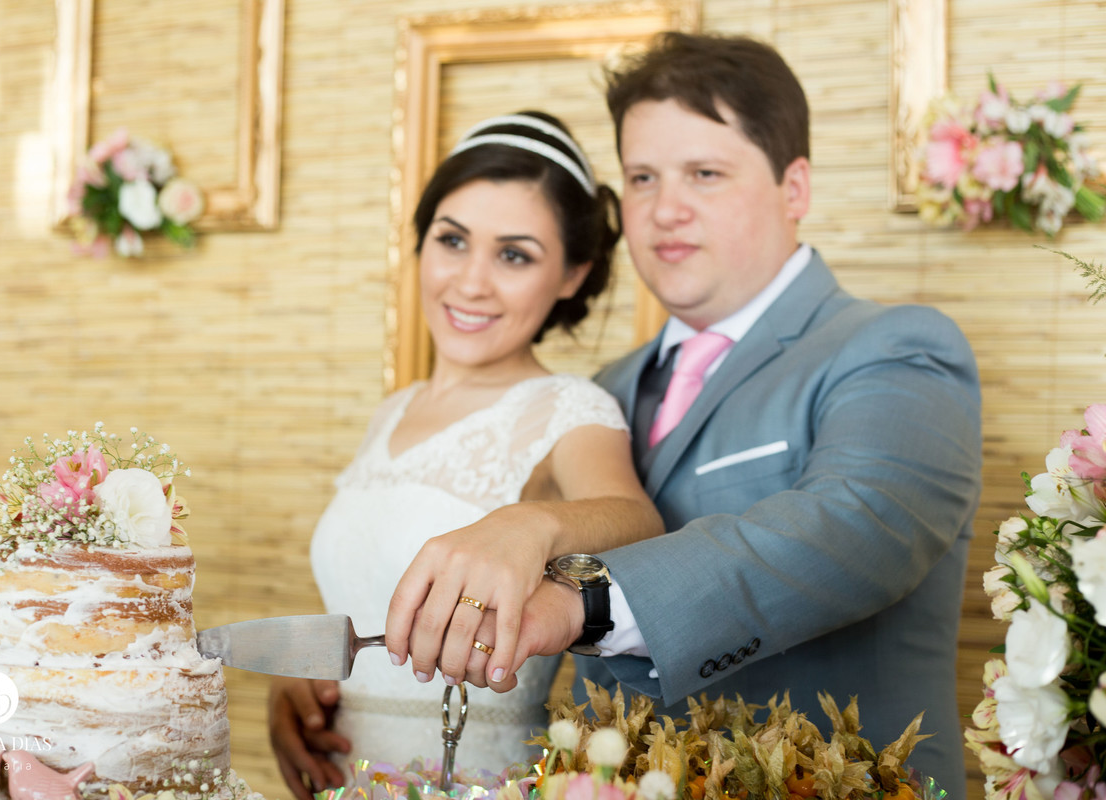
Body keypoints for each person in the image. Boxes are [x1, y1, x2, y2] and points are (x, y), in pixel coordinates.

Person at [385, 33, 981, 799]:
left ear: (794, 188)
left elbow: (857, 523)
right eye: (641, 177)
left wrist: (583, 596)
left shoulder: (892, 348)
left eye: (705, 173)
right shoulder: (600, 390)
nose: (665, 210)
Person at [267, 111, 664, 799]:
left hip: (477, 779)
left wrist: (529, 524)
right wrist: (300, 684)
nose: (471, 282)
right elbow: (365, 594)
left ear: (574, 274)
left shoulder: (570, 407)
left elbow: (641, 523)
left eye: (514, 255)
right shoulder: (392, 411)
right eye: (453, 241)